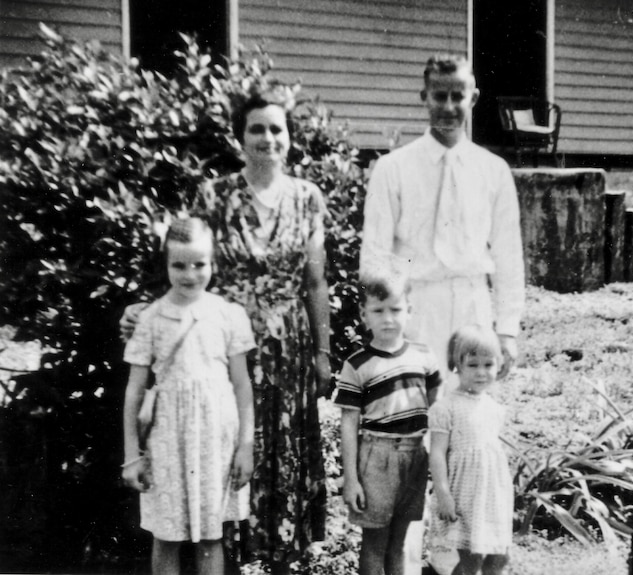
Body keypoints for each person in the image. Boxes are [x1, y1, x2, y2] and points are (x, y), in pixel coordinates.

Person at [120, 85, 331, 572]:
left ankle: (278, 561)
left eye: (277, 129)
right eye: (256, 128)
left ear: (290, 138)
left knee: (280, 453)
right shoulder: (215, 195)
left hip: (289, 349)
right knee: (221, 454)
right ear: (240, 137)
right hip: (219, 346)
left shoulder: (308, 198)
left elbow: (316, 279)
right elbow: (188, 263)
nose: (268, 138)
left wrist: (322, 353)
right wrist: (142, 307)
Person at [359, 54, 525, 574]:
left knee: (467, 436)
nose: (449, 106)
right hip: (416, 309)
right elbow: (376, 257)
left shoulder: (493, 171)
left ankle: (458, 558)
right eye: (440, 95)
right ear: (423, 97)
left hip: (472, 309)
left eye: (459, 96)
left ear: (472, 98)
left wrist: (507, 330)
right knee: (410, 436)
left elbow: (509, 254)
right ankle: (405, 563)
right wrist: (392, 326)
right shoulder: (394, 168)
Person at [122, 217, 256, 575]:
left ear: (212, 264)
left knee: (212, 536)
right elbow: (135, 390)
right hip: (167, 442)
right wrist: (131, 456)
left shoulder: (228, 315)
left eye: (200, 264)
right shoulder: (150, 319)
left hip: (215, 440)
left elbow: (242, 384)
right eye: (179, 265)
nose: (190, 274)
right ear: (165, 264)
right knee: (166, 535)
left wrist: (246, 445)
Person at [332, 269, 443, 575]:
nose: (388, 319)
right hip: (376, 458)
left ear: (409, 310)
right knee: (375, 544)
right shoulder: (357, 365)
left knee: (399, 543)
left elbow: (435, 405)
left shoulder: (424, 356)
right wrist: (351, 478)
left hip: (415, 456)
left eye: (395, 310)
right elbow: (349, 424)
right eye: (378, 311)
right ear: (364, 315)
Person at [428, 325, 512, 575]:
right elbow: (437, 453)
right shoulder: (446, 407)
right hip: (464, 495)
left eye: (488, 365)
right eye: (473, 365)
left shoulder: (494, 408)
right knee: (471, 561)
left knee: (500, 557)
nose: (481, 372)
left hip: (492, 496)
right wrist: (442, 493)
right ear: (457, 365)